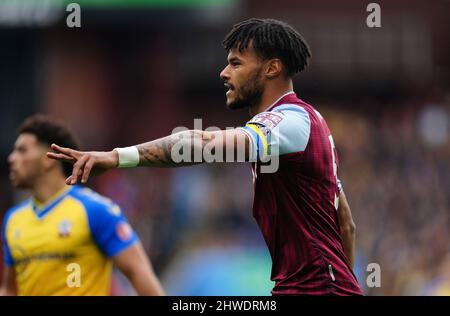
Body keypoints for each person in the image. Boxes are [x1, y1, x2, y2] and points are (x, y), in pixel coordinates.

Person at [47, 18, 363, 295]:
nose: (224, 73)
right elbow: (344, 223)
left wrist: (117, 158)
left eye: (237, 63)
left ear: (272, 68)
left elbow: (198, 144)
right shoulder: (311, 122)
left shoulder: (289, 121)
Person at [0, 115, 165, 296]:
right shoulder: (13, 220)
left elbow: (138, 272)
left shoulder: (94, 210)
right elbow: (10, 289)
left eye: (22, 150)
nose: (12, 158)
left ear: (49, 158)